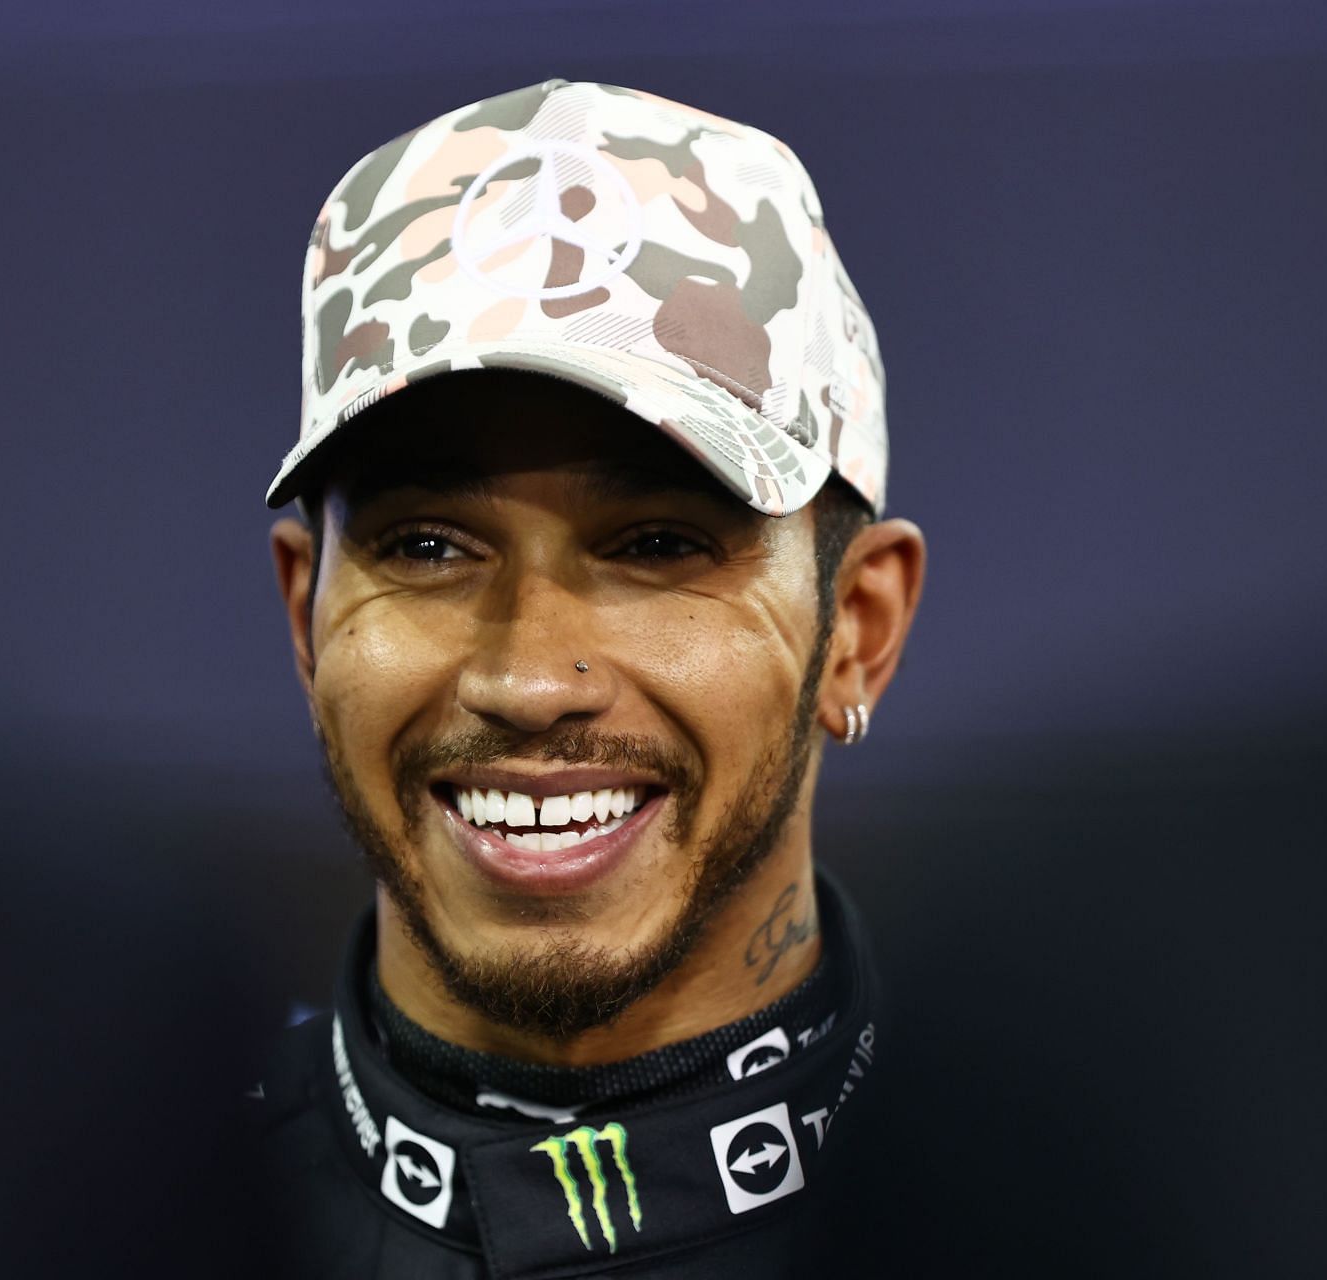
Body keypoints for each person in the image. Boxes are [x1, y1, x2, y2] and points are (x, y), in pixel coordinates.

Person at [248, 78, 925, 1277]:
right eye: (427, 546)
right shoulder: (110, 1205)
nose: (526, 675)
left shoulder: (1085, 1192)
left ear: (855, 629)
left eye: (659, 545)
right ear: (308, 614)